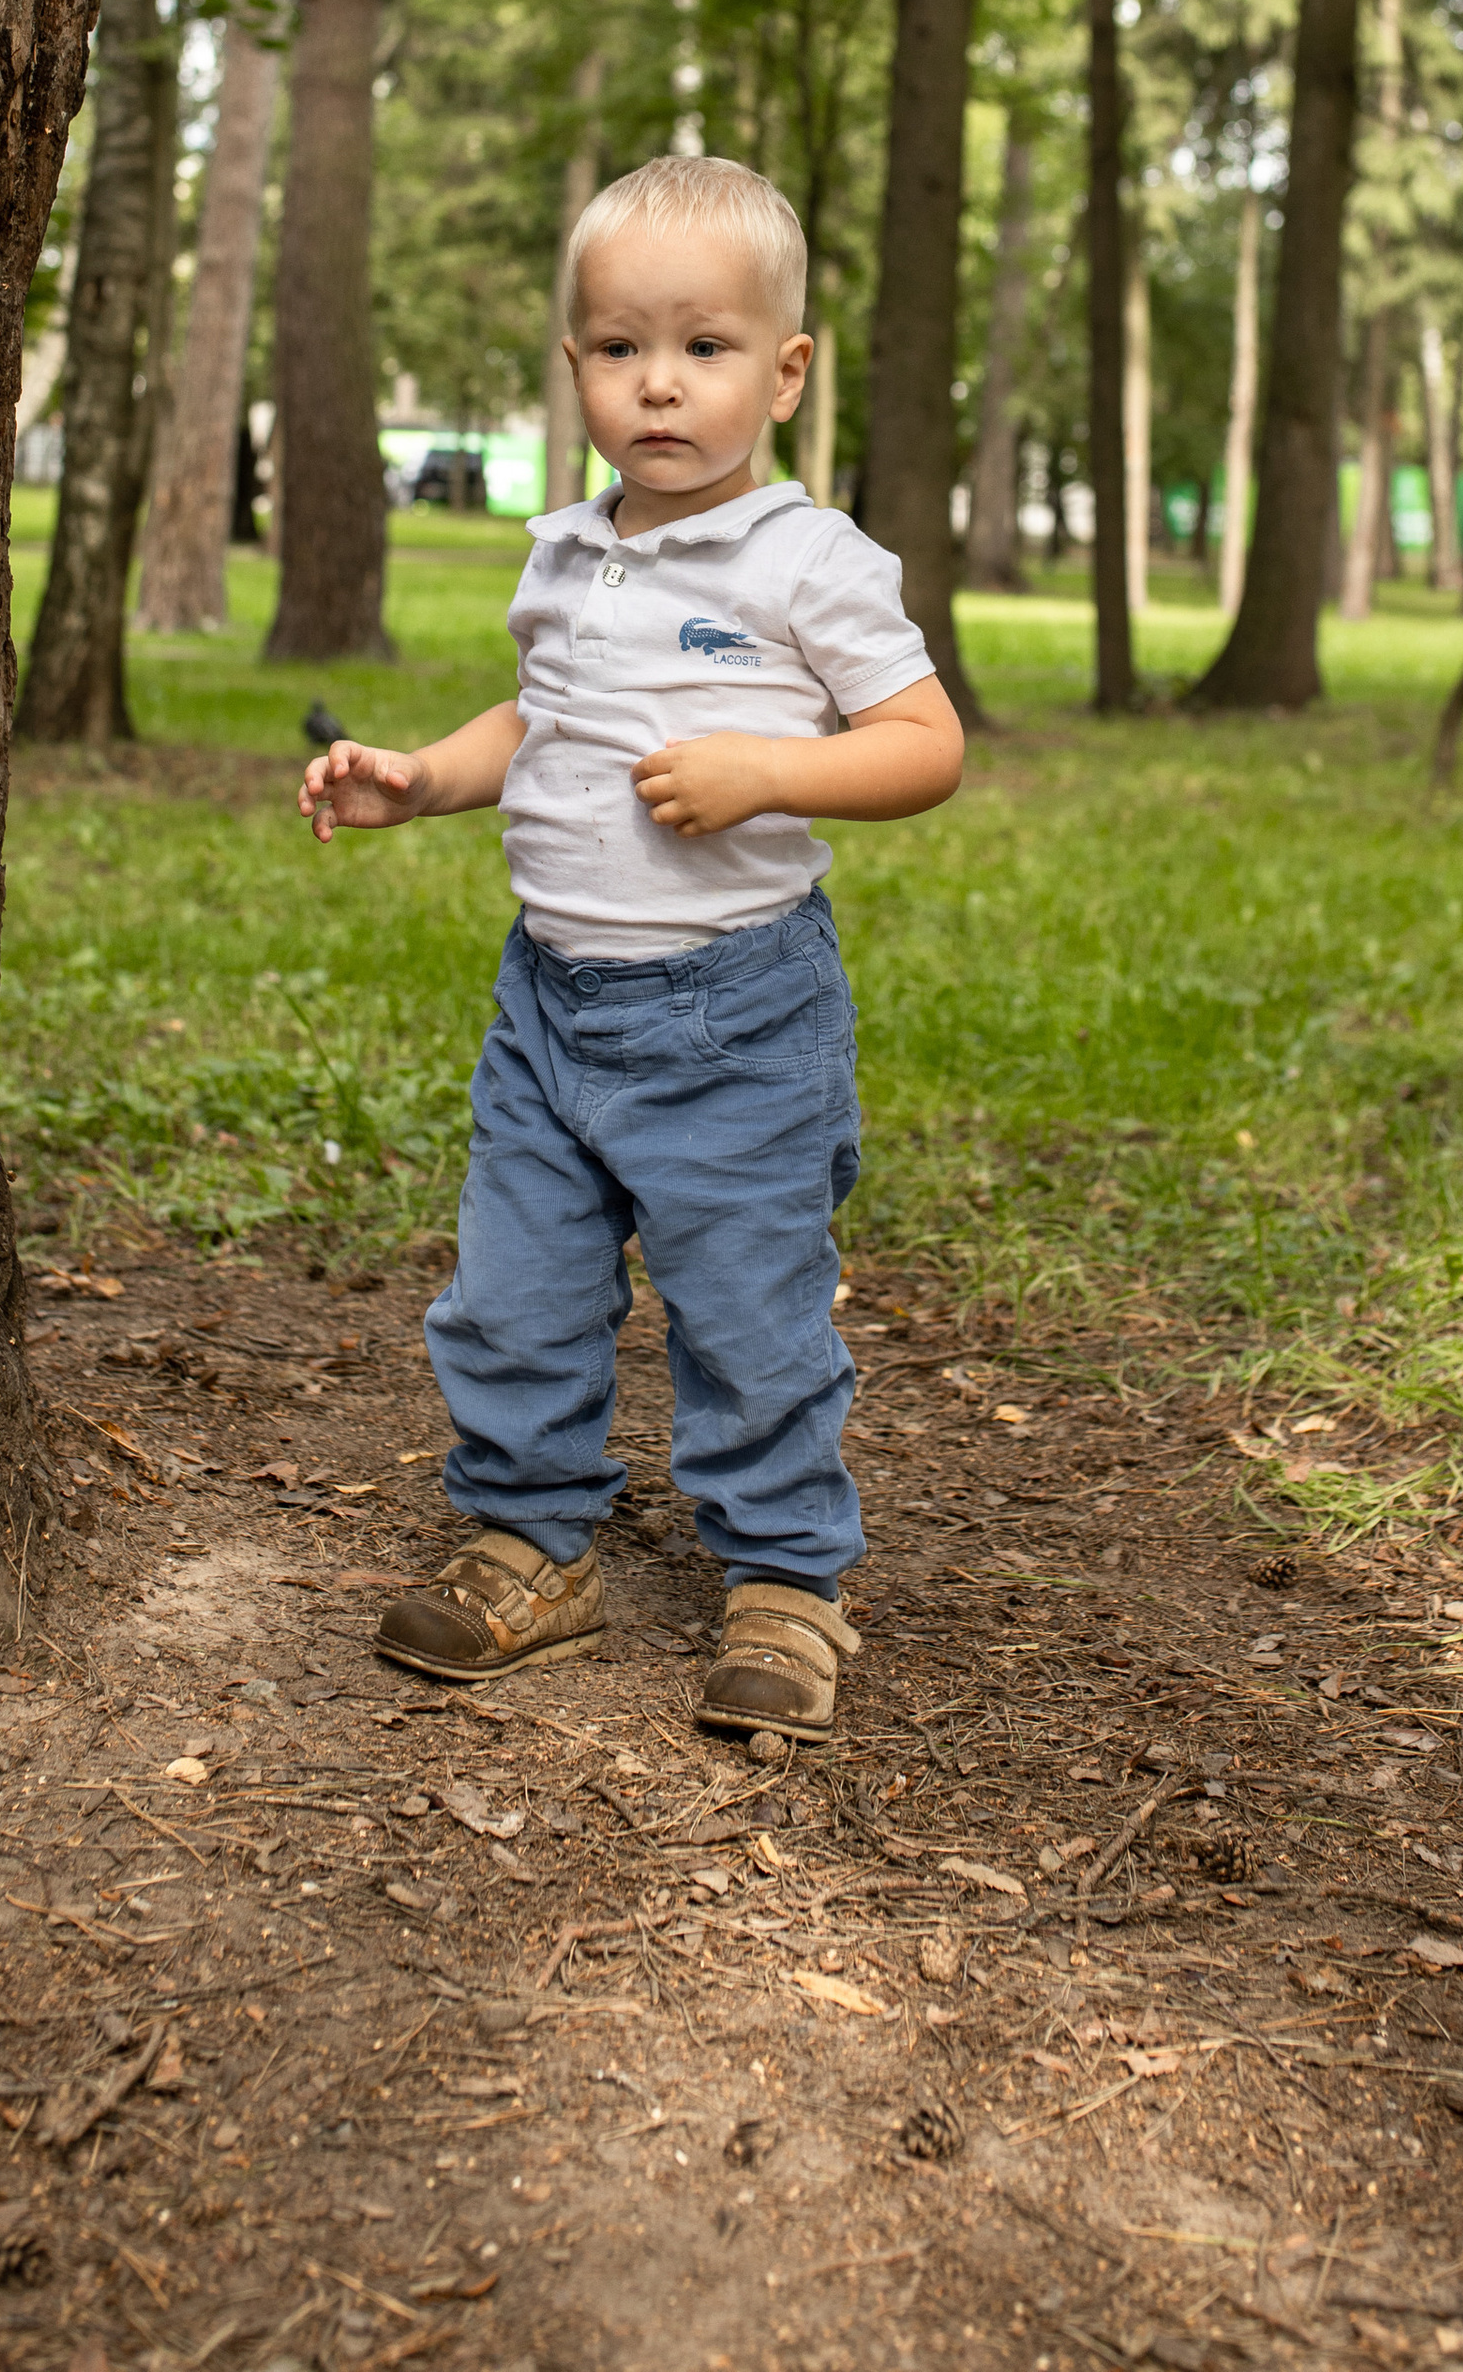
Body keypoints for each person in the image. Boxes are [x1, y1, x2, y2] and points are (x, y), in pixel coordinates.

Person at [297, 157, 964, 1743]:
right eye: (616, 347)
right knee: (513, 1295)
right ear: (578, 363)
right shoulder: (568, 548)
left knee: (749, 1309)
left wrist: (771, 769)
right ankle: (531, 1543)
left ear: (786, 371)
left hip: (734, 1012)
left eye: (706, 348)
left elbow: (925, 744)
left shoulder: (812, 562)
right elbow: (542, 721)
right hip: (551, 1007)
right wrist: (424, 780)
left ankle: (788, 1580)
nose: (658, 383)